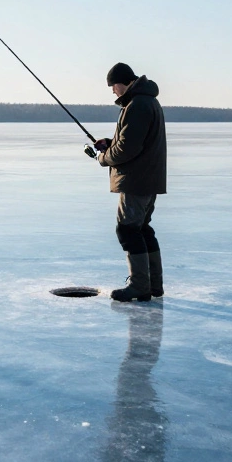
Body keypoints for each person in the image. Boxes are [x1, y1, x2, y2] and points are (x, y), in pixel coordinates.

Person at [92, 63, 167, 302]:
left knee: (127, 229)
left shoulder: (137, 104)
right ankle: (153, 284)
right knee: (142, 228)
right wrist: (109, 142)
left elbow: (128, 148)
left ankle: (140, 286)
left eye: (112, 87)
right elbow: (129, 138)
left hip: (137, 180)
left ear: (119, 83)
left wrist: (103, 158)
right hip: (148, 177)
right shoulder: (145, 101)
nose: (113, 92)